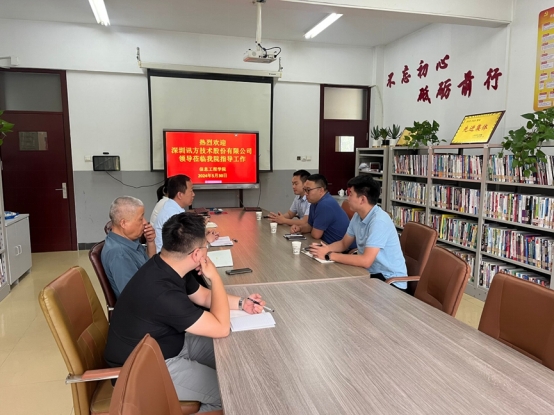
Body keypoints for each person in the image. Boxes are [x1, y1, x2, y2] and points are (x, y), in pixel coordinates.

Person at [104, 212, 266, 413]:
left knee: (234, 355)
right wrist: (215, 277)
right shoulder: (163, 293)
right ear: (197, 254)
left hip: (169, 345)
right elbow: (221, 327)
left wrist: (242, 303)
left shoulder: (167, 264)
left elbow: (204, 297)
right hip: (143, 368)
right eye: (206, 246)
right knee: (229, 393)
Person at [309, 175, 408, 290]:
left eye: (351, 194)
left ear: (362, 200)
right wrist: (325, 249)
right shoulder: (358, 216)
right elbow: (343, 244)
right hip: (369, 274)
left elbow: (366, 261)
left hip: (389, 282)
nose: (348, 198)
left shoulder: (379, 221)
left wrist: (329, 255)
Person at [101, 196, 156, 298]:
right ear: (123, 223)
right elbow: (135, 296)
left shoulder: (129, 240)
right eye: (140, 219)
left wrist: (150, 241)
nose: (145, 222)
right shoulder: (119, 254)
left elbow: (150, 264)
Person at [290, 174, 355, 249]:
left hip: (346, 250)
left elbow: (316, 235)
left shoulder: (325, 204)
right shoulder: (314, 203)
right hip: (328, 245)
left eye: (308, 190)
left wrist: (311, 229)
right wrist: (300, 228)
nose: (305, 193)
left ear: (321, 190)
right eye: (304, 190)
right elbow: (310, 226)